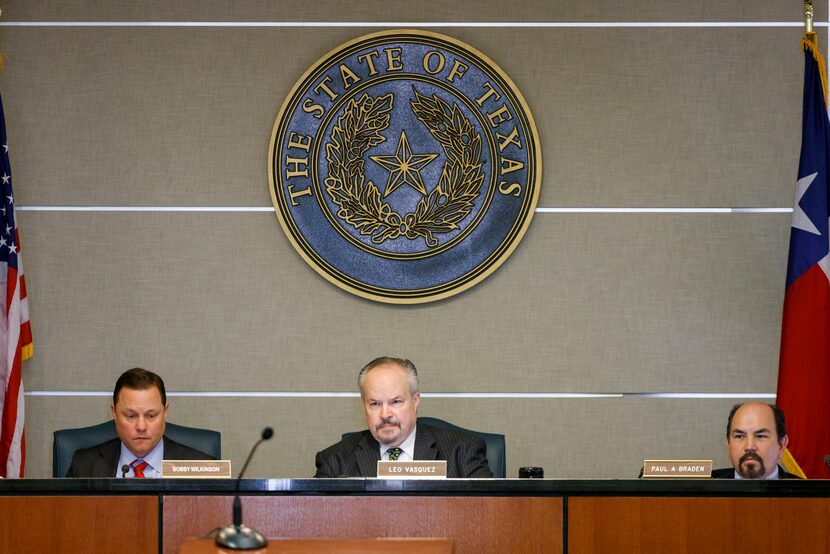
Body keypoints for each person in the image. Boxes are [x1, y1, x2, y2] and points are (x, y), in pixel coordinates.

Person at [314, 357, 493, 478]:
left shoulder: (462, 453)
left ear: (415, 400)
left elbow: (490, 514)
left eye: (395, 402)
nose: (385, 415)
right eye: (375, 404)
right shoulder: (335, 461)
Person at [66, 367, 213, 478]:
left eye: (151, 415)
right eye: (131, 416)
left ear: (165, 412)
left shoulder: (202, 468)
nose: (141, 427)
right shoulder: (84, 465)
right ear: (114, 413)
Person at [711, 402, 803, 479]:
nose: (749, 446)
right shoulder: (703, 490)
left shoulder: (808, 496)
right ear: (728, 444)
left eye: (760, 436)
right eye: (739, 436)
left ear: (782, 445)